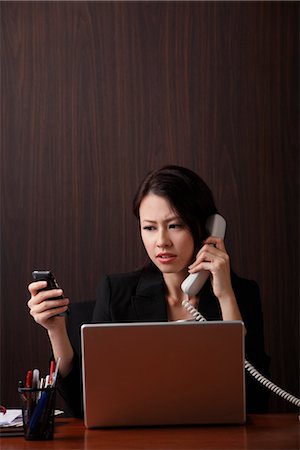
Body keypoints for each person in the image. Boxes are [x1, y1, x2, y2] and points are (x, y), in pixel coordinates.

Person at [27, 165, 270, 417]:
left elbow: (255, 401)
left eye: (175, 225)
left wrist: (225, 296)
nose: (161, 241)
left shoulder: (241, 293)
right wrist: (56, 331)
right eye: (150, 228)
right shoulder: (116, 292)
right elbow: (85, 408)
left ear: (206, 229)